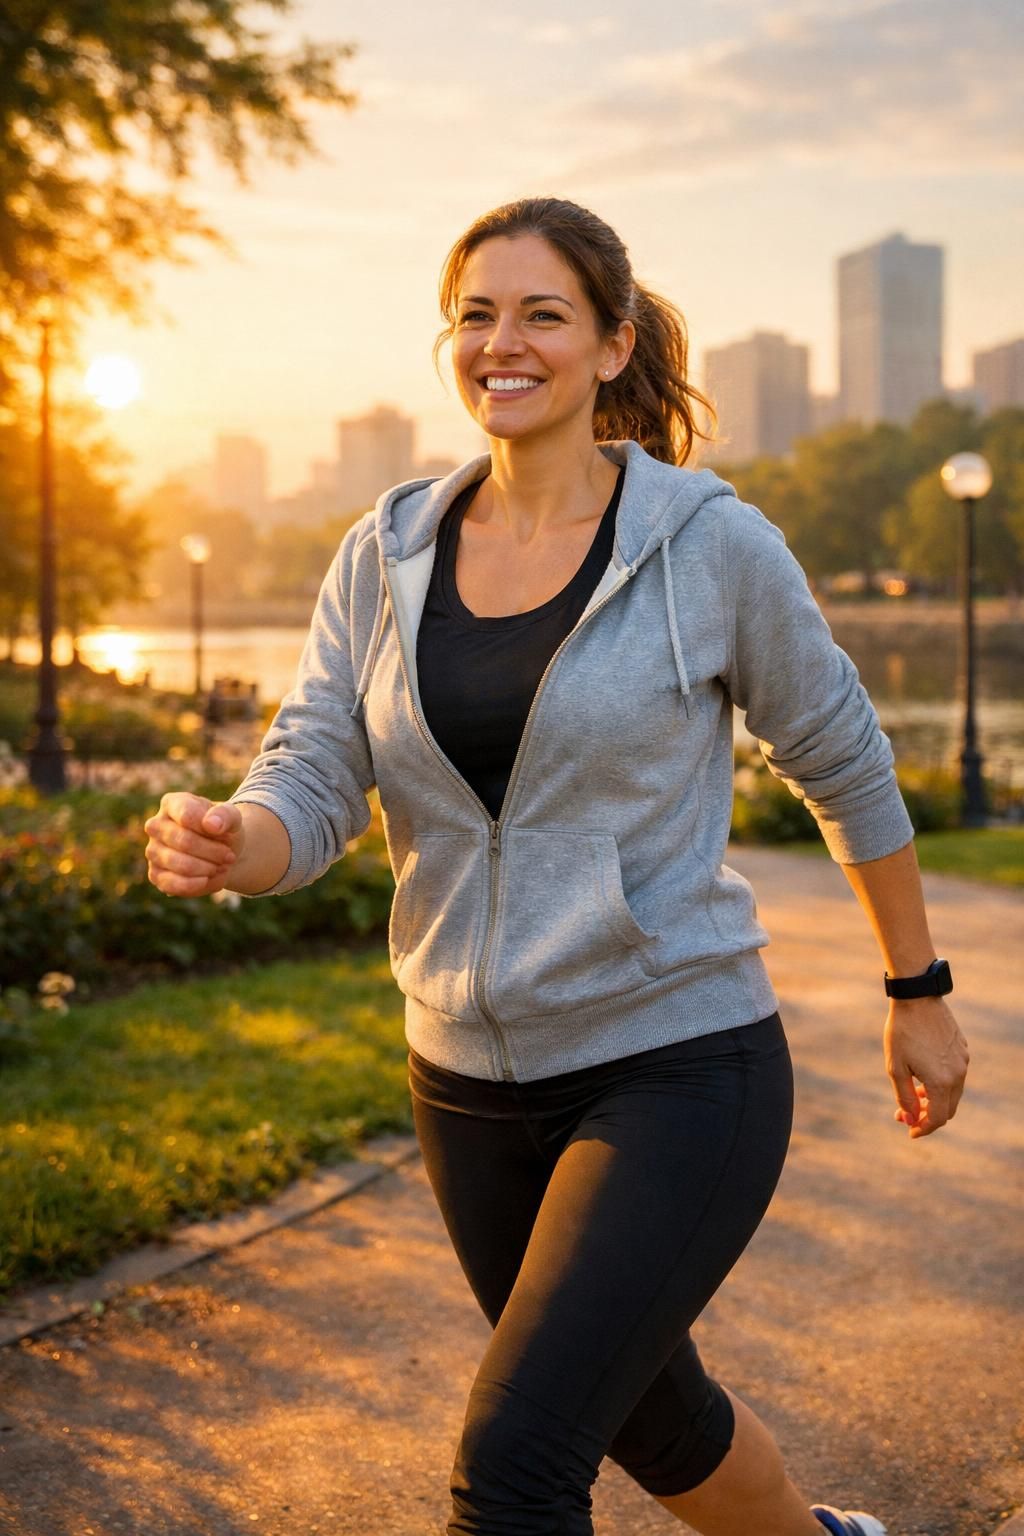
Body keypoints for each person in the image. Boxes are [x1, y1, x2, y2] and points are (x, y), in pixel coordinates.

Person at [143, 196, 969, 1536]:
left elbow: (844, 757)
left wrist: (916, 986)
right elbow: (314, 770)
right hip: (465, 1084)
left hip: (678, 1064)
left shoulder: (710, 547)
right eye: (475, 314)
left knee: (517, 1468)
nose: (500, 344)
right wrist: (239, 839)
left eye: (542, 314)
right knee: (653, 1412)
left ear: (608, 344)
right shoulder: (385, 553)